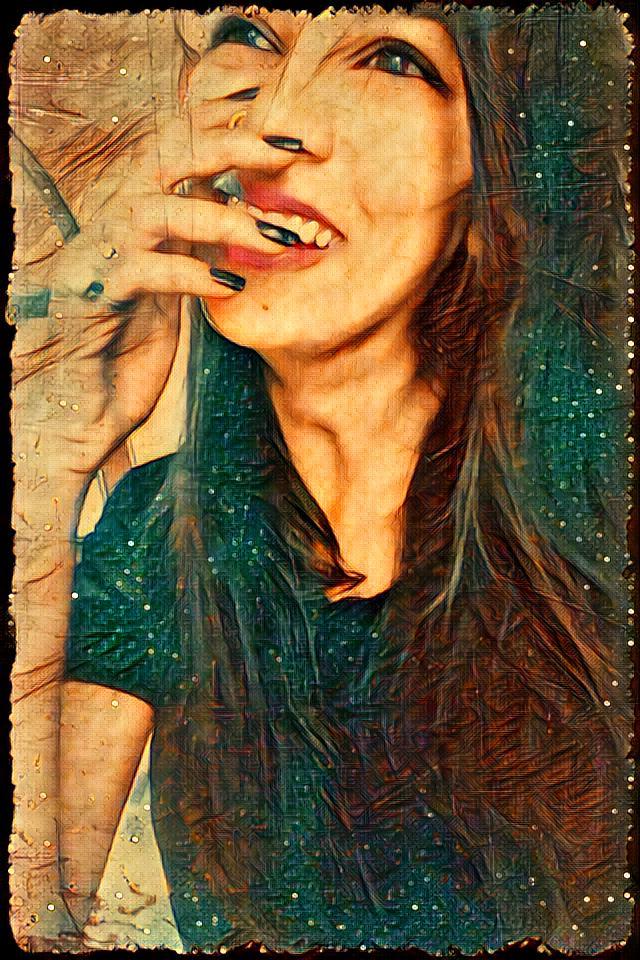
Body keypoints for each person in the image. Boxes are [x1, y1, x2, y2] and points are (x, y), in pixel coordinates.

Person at [10, 3, 632, 953]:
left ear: (501, 174)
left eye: (392, 60)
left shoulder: (605, 545)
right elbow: (37, 922)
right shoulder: (156, 534)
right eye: (252, 37)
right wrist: (51, 457)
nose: (275, 117)